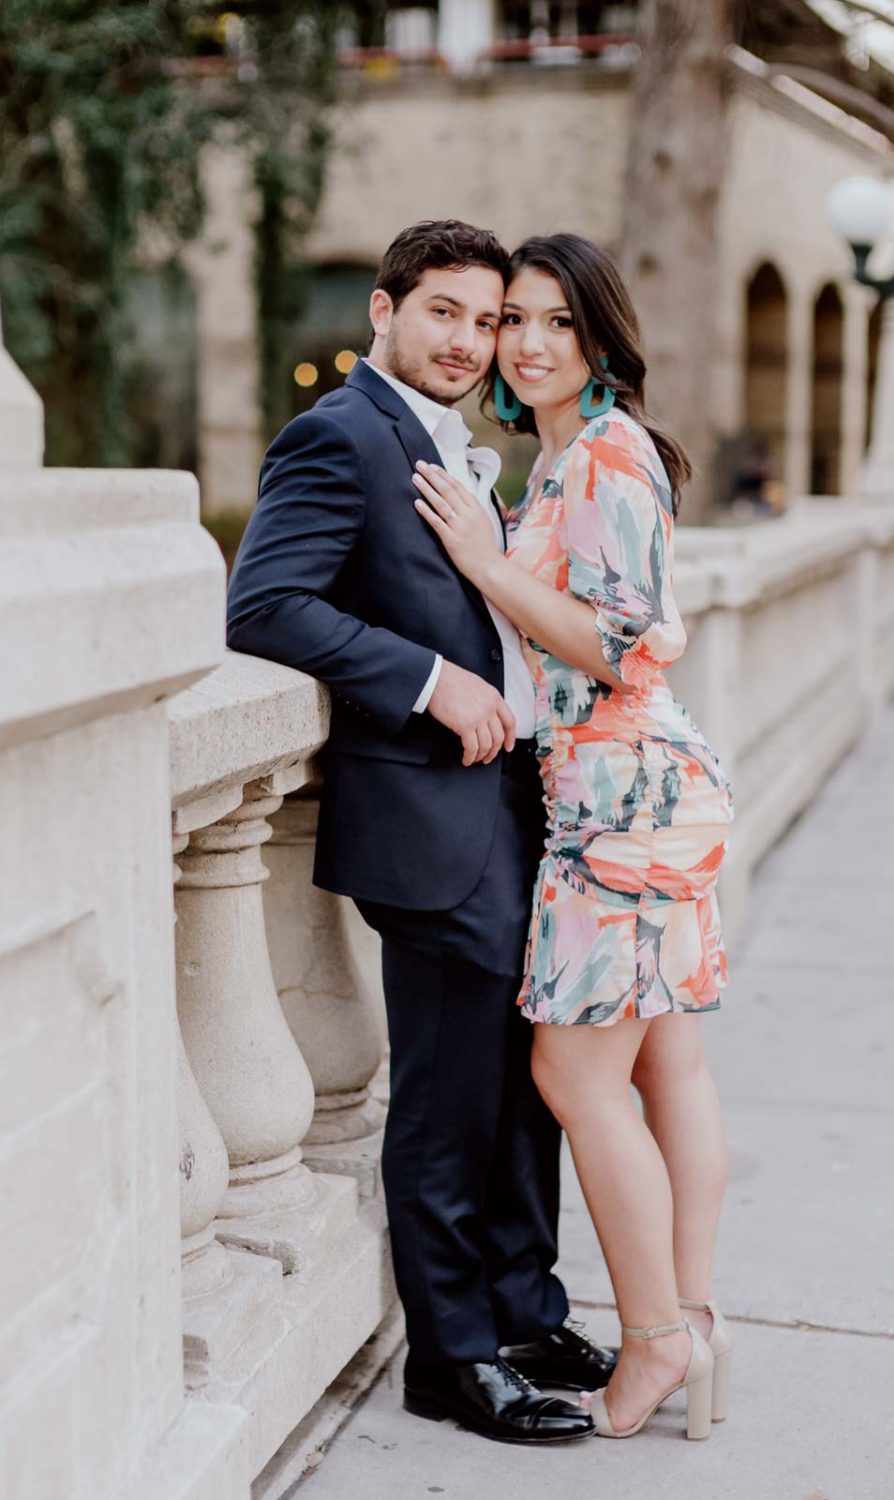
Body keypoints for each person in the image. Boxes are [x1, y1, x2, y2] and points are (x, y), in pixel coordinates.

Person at [226, 220, 615, 1446]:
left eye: (488, 318)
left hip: (502, 806)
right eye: (442, 311)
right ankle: (451, 1357)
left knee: (522, 1081)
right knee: (447, 1096)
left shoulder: (456, 444)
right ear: (384, 313)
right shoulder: (337, 435)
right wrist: (424, 678)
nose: (469, 339)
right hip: (424, 816)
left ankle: (522, 1305)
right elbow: (265, 603)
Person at [412, 232, 735, 1441]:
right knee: (665, 1069)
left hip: (621, 796)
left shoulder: (604, 453)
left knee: (573, 1073)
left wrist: (483, 564)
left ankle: (654, 1341)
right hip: (640, 788)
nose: (531, 343)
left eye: (558, 322)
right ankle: (692, 1320)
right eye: (516, 322)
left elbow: (614, 642)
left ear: (598, 336)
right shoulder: (563, 458)